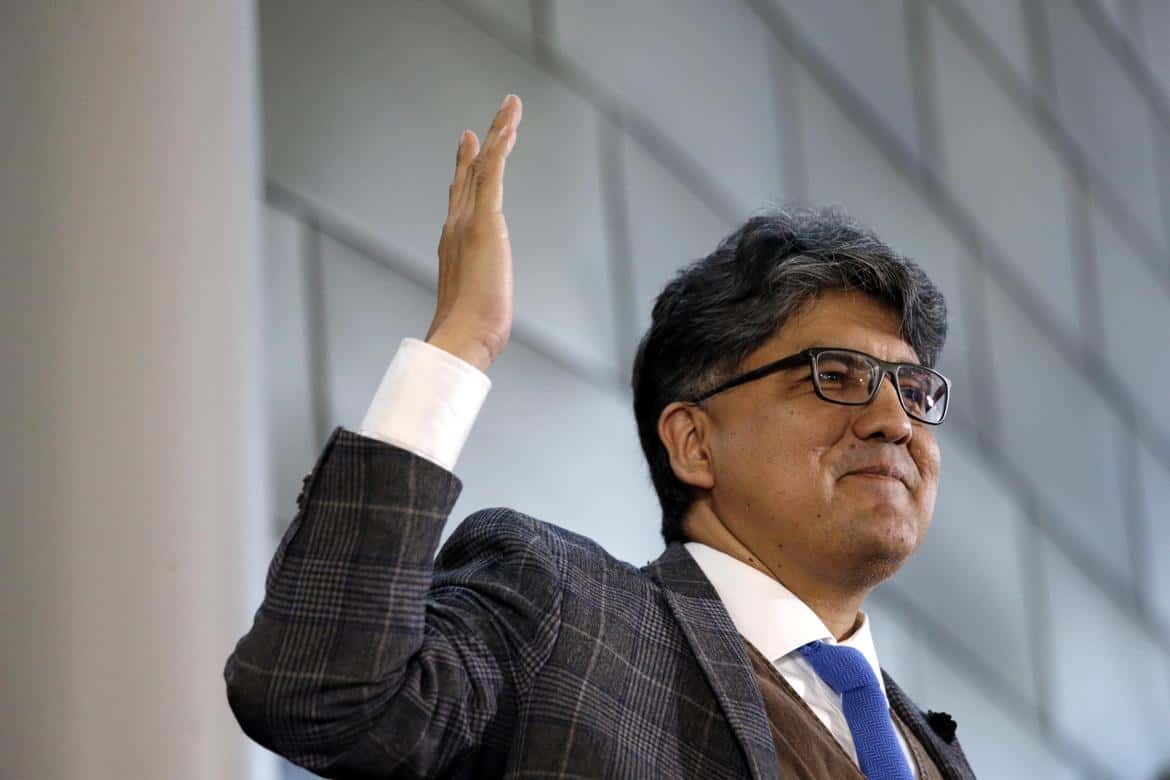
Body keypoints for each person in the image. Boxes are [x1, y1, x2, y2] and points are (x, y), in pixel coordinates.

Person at [224, 94, 976, 779]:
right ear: (693, 442)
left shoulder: (936, 754)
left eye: (913, 389)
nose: (893, 421)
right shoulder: (560, 613)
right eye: (835, 375)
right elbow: (316, 690)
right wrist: (461, 342)